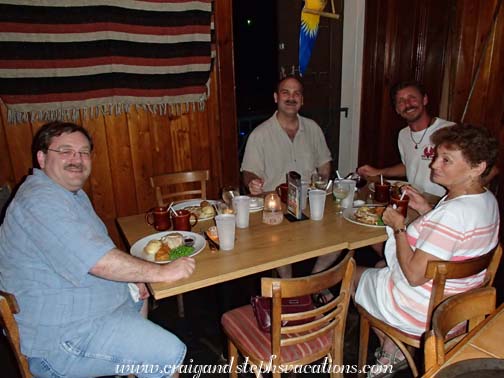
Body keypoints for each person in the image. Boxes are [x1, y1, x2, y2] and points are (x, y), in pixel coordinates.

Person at [0, 121, 195, 378]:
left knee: (137, 297)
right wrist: (161, 271)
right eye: (65, 151)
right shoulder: (39, 201)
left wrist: (136, 275)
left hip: (83, 309)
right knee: (169, 354)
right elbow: (99, 262)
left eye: (83, 152)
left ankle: (128, 363)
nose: (76, 159)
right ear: (42, 157)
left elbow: (98, 246)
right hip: (60, 341)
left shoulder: (70, 194)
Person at [354, 124, 500, 377]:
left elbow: (413, 275)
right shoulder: (485, 200)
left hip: (428, 312)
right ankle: (394, 345)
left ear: (478, 168)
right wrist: (425, 211)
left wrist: (398, 226)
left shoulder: (454, 213)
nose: (434, 165)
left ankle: (391, 351)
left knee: (351, 275)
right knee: (380, 267)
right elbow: (454, 241)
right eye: (436, 157)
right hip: (460, 307)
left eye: (446, 160)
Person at [241, 75, 337, 279]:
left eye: (297, 93)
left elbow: (324, 164)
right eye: (286, 92)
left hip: (311, 202)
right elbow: (248, 171)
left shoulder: (313, 128)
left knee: (340, 237)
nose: (291, 97)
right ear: (276, 97)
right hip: (277, 206)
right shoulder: (260, 135)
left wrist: (321, 183)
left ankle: (314, 283)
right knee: (280, 249)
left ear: (302, 100)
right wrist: (252, 182)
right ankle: (289, 288)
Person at [358, 81, 455, 197]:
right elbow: (409, 165)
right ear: (397, 110)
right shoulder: (403, 134)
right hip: (414, 199)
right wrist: (379, 172)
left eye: (412, 98)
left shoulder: (449, 130)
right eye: (401, 101)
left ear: (424, 100)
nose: (408, 104)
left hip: (441, 202)